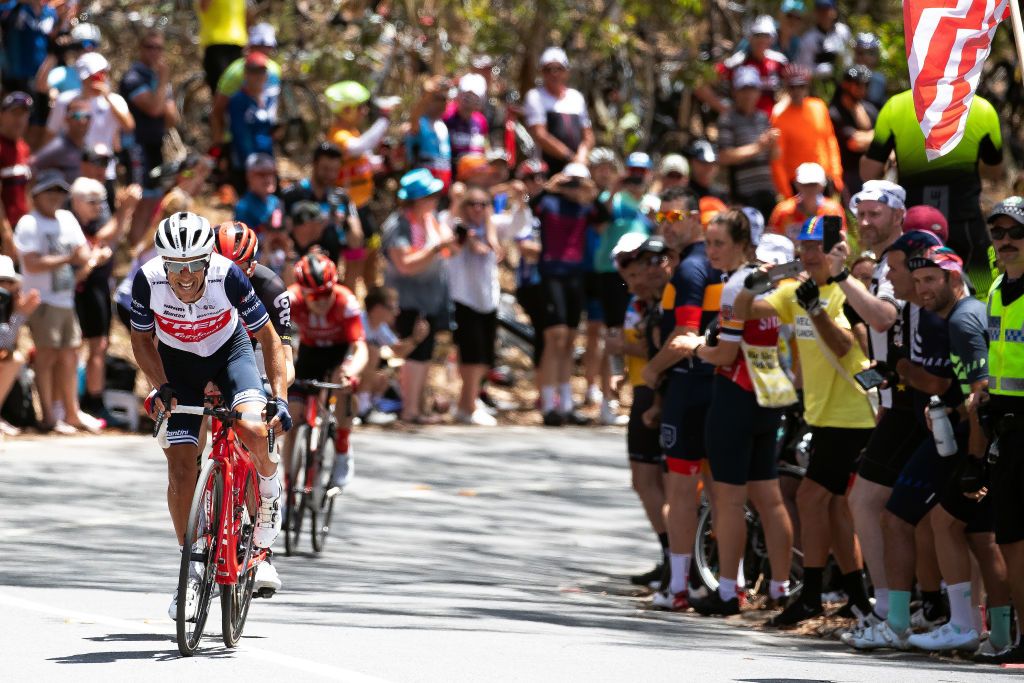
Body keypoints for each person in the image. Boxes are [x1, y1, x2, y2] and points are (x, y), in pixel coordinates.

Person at [129, 211, 290, 619]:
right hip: (179, 363)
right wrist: (160, 385)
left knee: (253, 426)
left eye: (193, 265)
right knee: (181, 468)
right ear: (163, 263)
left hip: (229, 354)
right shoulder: (147, 281)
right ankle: (194, 566)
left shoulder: (228, 276)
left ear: (207, 260)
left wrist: (281, 399)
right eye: (175, 267)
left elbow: (269, 338)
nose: (184, 276)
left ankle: (269, 493)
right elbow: (142, 340)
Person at [735, 216, 876, 626]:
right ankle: (856, 599)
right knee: (833, 510)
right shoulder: (793, 290)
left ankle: (812, 595)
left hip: (852, 415)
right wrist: (753, 281)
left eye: (818, 245)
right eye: (804, 245)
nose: (808, 253)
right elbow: (747, 313)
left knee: (811, 498)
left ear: (836, 250)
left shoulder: (845, 292)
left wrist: (815, 308)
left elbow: (843, 342)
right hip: (823, 415)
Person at [672, 210, 796, 615]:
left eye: (719, 243)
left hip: (735, 396)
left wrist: (694, 347)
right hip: (769, 397)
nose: (710, 251)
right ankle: (779, 588)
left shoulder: (735, 288)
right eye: (707, 242)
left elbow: (725, 353)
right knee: (769, 498)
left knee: (727, 500)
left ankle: (728, 592)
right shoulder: (773, 281)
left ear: (743, 244)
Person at [901, 246, 1011, 655]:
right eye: (918, 281)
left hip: (985, 442)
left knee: (943, 523)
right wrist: (950, 407)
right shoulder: (965, 317)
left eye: (932, 279)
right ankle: (999, 636)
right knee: (983, 537)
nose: (923, 289)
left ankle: (963, 625)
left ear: (954, 279)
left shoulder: (964, 321)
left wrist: (975, 462)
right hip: (988, 437)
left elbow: (981, 393)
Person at [826, 180, 913, 630]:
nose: (865, 221)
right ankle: (904, 607)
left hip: (913, 399)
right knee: (886, 506)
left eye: (875, 213)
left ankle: (890, 610)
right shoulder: (881, 264)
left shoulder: (899, 263)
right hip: (893, 398)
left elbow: (883, 316)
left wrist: (842, 277)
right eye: (860, 213)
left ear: (899, 215)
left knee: (865, 500)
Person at [642, 186, 721, 611]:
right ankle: (722, 583)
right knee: (714, 490)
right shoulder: (704, 262)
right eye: (662, 218)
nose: (668, 227)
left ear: (694, 217)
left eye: (676, 218)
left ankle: (680, 587)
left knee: (683, 488)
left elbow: (683, 336)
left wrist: (653, 372)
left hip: (691, 386)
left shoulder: (691, 268)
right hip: (710, 384)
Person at [960, 198, 1024, 664]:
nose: (1005, 241)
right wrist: (984, 400)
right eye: (998, 233)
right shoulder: (999, 286)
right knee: (1011, 539)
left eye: (1015, 233)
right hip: (1007, 423)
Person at [861, 89, 1003, 296]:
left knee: (912, 297)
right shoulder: (982, 108)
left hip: (915, 226)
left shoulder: (895, 107)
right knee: (984, 296)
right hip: (964, 224)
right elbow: (994, 172)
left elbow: (869, 173)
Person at [13, 171, 100, 434]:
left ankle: (71, 413)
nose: (55, 197)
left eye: (60, 192)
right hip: (42, 300)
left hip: (66, 298)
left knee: (70, 356)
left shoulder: (67, 219)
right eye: (49, 192)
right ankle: (50, 415)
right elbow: (31, 262)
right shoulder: (29, 223)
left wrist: (71, 258)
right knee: (47, 356)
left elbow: (83, 252)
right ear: (36, 194)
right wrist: (66, 259)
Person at [611, 234, 673, 588]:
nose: (636, 279)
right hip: (641, 390)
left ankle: (675, 555)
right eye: (629, 273)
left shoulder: (662, 303)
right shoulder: (639, 304)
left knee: (655, 481)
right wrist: (623, 371)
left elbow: (660, 350)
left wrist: (624, 348)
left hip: (655, 395)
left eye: (639, 270)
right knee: (646, 481)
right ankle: (669, 553)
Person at [286, 252, 367, 487]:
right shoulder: (291, 299)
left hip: (340, 354)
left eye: (326, 293)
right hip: (311, 354)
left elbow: (360, 347)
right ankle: (288, 486)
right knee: (292, 414)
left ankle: (342, 449)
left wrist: (351, 371)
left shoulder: (345, 301)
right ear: (303, 292)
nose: (322, 301)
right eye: (315, 296)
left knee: (342, 386)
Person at [381, 169, 455, 424]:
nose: (435, 199)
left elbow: (450, 244)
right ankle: (409, 409)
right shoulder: (398, 225)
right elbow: (405, 264)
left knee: (424, 353)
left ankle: (416, 408)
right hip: (406, 300)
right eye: (430, 195)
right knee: (411, 352)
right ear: (416, 198)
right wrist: (434, 248)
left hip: (430, 299)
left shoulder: (430, 219)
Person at [533, 162, 599, 426]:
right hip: (552, 273)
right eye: (570, 182)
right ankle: (549, 404)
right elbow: (529, 202)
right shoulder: (547, 203)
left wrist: (589, 189)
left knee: (571, 338)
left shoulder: (585, 208)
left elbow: (603, 214)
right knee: (554, 336)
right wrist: (551, 185)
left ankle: (567, 403)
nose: (573, 187)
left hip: (576, 275)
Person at [71, 177, 140, 421]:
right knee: (77, 347)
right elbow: (101, 238)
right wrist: (124, 209)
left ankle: (95, 399)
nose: (98, 206)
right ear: (76, 202)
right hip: (78, 290)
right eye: (92, 201)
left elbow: (110, 236)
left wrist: (125, 211)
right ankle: (75, 402)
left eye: (101, 201)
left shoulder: (95, 218)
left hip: (98, 287)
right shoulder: (70, 221)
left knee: (99, 345)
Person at [595, 152, 653, 425]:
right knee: (615, 332)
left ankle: (632, 395)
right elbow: (600, 217)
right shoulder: (615, 200)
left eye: (641, 173)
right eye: (632, 171)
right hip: (613, 275)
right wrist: (615, 189)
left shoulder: (652, 203)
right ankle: (608, 398)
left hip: (646, 278)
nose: (636, 177)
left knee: (638, 333)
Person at [325, 80, 391, 291]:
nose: (364, 112)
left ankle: (371, 297)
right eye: (360, 107)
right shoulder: (338, 134)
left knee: (372, 249)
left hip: (363, 206)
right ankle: (350, 297)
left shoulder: (352, 132)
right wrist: (384, 120)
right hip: (348, 209)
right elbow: (358, 148)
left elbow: (363, 158)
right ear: (346, 110)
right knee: (354, 258)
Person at [445, 185, 501, 426]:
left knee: (485, 357)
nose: (477, 209)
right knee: (471, 355)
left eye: (483, 204)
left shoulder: (492, 228)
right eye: (472, 204)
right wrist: (457, 200)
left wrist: (519, 197)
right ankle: (468, 405)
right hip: (464, 298)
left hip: (488, 299)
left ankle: (466, 403)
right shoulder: (455, 227)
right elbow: (447, 225)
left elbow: (519, 224)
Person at [213, 220, 295, 386]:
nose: (229, 277)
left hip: (257, 346)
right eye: (220, 269)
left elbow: (286, 363)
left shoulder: (273, 289)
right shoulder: (194, 285)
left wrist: (272, 388)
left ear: (252, 267)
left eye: (238, 270)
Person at [119, 28, 177, 245]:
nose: (154, 52)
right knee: (138, 197)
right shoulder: (133, 77)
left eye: (159, 48)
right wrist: (162, 84)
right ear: (140, 49)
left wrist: (160, 93)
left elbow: (171, 118)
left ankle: (139, 246)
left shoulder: (158, 78)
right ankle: (129, 246)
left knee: (154, 197)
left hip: (156, 144)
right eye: (149, 47)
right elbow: (154, 109)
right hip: (136, 145)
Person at [46, 53, 135, 194]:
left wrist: (107, 97)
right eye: (95, 75)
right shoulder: (65, 101)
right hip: (72, 170)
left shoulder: (115, 101)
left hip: (104, 172)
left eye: (103, 73)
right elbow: (50, 134)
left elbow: (129, 126)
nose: (100, 78)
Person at [280, 141, 359, 271]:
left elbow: (356, 241)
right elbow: (282, 235)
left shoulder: (342, 197)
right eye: (326, 169)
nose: (330, 175)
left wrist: (344, 223)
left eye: (334, 170)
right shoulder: (291, 194)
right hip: (297, 272)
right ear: (315, 164)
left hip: (330, 272)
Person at [770, 63, 843, 197]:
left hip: (823, 179)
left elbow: (830, 141)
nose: (797, 91)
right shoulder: (779, 117)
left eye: (801, 86)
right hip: (797, 184)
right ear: (786, 88)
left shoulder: (819, 106)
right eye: (792, 87)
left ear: (807, 87)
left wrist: (836, 174)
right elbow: (777, 159)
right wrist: (785, 192)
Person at [357, 286, 427, 425]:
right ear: (378, 308)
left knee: (383, 378)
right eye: (393, 307)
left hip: (359, 374)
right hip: (347, 371)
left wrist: (415, 339)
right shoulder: (359, 321)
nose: (397, 312)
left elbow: (398, 351)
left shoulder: (380, 327)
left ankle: (369, 407)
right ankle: (362, 409)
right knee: (372, 352)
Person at [717, 66, 778, 221]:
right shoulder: (728, 119)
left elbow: (775, 156)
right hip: (743, 195)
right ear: (735, 92)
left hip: (767, 190)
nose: (748, 95)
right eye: (743, 90)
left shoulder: (763, 118)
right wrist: (758, 147)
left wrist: (773, 144)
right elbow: (724, 156)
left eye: (752, 89)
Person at [699, 15, 788, 117]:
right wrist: (724, 109)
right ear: (750, 38)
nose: (762, 40)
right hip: (743, 125)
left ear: (772, 39)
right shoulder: (736, 63)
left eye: (766, 35)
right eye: (757, 35)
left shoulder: (779, 62)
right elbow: (699, 83)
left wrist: (781, 108)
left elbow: (796, 85)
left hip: (771, 123)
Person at [524, 47, 594, 175]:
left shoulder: (576, 97)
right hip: (547, 169)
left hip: (577, 167)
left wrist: (581, 156)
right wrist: (570, 157)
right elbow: (540, 135)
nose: (554, 74)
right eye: (548, 69)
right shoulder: (535, 96)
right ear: (542, 72)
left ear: (567, 71)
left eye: (559, 69)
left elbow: (588, 134)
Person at [225, 52, 274, 194]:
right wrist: (252, 164)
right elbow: (239, 133)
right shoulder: (238, 100)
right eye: (253, 71)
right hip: (246, 165)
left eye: (262, 71)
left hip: (266, 161)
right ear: (246, 74)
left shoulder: (267, 99)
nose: (258, 76)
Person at [0, 254, 38, 436]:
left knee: (14, 359)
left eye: (8, 281)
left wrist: (18, 314)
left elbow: (7, 344)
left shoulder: (9, 307)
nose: (4, 286)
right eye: (1, 281)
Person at [829, 65, 877, 199]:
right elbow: (855, 143)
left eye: (865, 84)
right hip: (847, 174)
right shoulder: (834, 113)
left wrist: (868, 137)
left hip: (872, 171)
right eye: (858, 84)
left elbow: (885, 138)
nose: (862, 89)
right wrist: (874, 136)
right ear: (846, 85)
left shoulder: (869, 109)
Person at [768, 161, 845, 243]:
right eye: (805, 184)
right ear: (796, 184)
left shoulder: (832, 211)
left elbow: (839, 242)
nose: (810, 189)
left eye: (814, 184)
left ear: (823, 185)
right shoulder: (783, 211)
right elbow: (773, 241)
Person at [0, 0, 58, 95]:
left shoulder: (50, 13)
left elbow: (53, 40)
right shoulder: (13, 7)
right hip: (15, 72)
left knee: (39, 106)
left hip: (40, 73)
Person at [406, 75, 453, 191]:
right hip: (422, 189)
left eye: (444, 99)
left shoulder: (442, 125)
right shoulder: (420, 123)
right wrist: (428, 93)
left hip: (443, 187)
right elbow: (414, 119)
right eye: (437, 99)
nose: (442, 103)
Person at [0, 91, 32, 257]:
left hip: (21, 229)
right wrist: (6, 235)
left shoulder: (23, 147)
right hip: (5, 233)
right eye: (14, 113)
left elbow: (26, 190)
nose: (19, 119)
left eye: (23, 114)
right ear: (2, 115)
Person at [30, 94, 89, 183]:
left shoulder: (85, 147)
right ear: (66, 119)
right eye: (77, 116)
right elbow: (30, 166)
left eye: (87, 116)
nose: (82, 121)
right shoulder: (58, 146)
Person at [196, 0, 247, 95]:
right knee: (221, 89)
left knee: (236, 89)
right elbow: (203, 7)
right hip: (216, 44)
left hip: (236, 44)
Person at [796, 0, 851, 84]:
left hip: (842, 82)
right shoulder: (808, 38)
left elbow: (849, 59)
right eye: (820, 10)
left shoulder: (843, 31)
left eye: (827, 10)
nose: (824, 14)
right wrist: (822, 71)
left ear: (835, 11)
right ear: (815, 13)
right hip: (817, 84)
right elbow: (804, 69)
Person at [445, 73, 489, 173]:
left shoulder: (481, 121)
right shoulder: (447, 115)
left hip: (476, 173)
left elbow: (485, 147)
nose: (468, 100)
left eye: (474, 97)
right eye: (466, 95)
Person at [234, 152, 283, 236]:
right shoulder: (243, 207)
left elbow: (277, 228)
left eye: (271, 173)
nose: (268, 178)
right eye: (262, 174)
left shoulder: (275, 202)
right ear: (249, 177)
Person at [853, 32, 887, 111]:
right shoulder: (849, 77)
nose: (866, 57)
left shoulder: (879, 79)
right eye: (860, 53)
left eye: (871, 53)